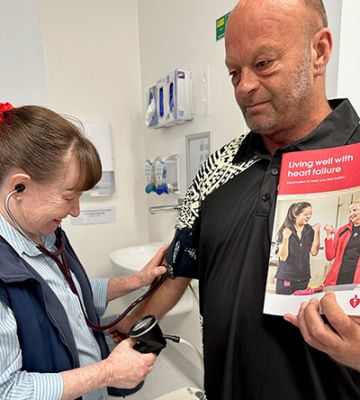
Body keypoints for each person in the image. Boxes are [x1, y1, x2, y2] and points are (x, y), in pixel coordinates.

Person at [111, 1, 360, 399]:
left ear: (320, 51)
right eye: (233, 72)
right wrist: (120, 331)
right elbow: (178, 274)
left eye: (263, 63)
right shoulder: (216, 169)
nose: (244, 87)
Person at [0, 102, 169, 400]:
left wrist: (135, 281)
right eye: (69, 196)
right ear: (19, 187)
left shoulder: (44, 236)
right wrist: (108, 372)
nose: (76, 211)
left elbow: (65, 293)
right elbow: (8, 390)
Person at [275, 202, 320, 294]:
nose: (309, 216)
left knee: (298, 306)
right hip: (286, 279)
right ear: (296, 215)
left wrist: (317, 233)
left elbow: (314, 252)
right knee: (284, 305)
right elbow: (283, 257)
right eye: (305, 214)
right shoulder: (285, 230)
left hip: (303, 279)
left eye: (310, 213)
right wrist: (286, 238)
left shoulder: (310, 231)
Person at [324, 199, 360, 286]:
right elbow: (330, 256)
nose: (351, 214)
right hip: (339, 276)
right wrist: (329, 236)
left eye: (354, 210)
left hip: (356, 279)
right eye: (350, 211)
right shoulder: (342, 230)